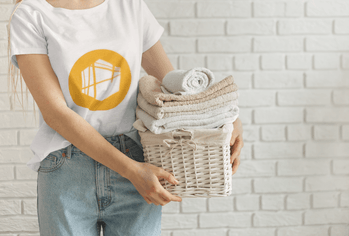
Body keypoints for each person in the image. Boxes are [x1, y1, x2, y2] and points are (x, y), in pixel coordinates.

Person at [6, 0, 244, 235]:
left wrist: (225, 116)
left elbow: (173, 86)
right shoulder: (31, 13)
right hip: (68, 168)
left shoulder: (129, 6)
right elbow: (55, 114)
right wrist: (131, 170)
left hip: (135, 161)